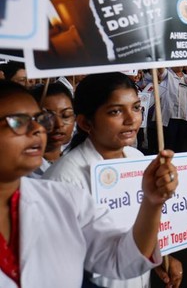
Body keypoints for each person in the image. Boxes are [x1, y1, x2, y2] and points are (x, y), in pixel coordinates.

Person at [0, 80, 175, 286]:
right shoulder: (64, 178)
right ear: (86, 123)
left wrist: (152, 202)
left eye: (38, 119)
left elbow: (120, 261)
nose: (38, 129)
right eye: (18, 121)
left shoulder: (63, 198)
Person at [43, 73, 183, 288]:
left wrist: (158, 256)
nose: (131, 119)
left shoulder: (137, 160)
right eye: (115, 111)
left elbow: (136, 228)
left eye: (136, 107)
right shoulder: (62, 180)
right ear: (85, 122)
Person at [28, 82, 75, 177]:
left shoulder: (78, 158)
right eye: (47, 118)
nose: (59, 124)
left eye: (66, 115)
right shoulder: (22, 171)